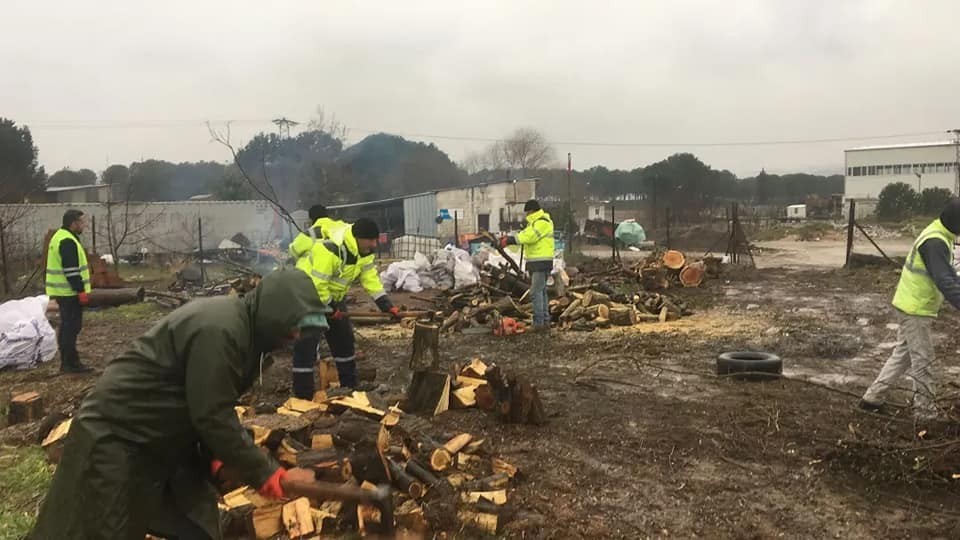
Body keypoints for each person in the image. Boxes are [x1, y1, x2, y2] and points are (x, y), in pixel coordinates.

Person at [31, 269, 326, 540]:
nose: (297, 335)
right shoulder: (222, 329)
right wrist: (266, 473)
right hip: (118, 433)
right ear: (276, 311)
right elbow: (211, 415)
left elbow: (208, 399)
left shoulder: (245, 335)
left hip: (162, 439)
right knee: (101, 529)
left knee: (196, 525)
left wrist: (217, 458)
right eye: (295, 325)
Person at [860, 198, 960, 421]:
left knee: (903, 356)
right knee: (923, 359)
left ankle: (871, 399)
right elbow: (945, 280)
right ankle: (925, 413)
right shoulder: (935, 242)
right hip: (915, 309)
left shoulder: (940, 235)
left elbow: (950, 276)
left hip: (911, 305)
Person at [294, 218, 398, 395]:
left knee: (344, 339)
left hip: (333, 297)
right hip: (308, 295)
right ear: (358, 237)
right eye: (370, 240)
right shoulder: (330, 248)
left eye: (375, 240)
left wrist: (385, 304)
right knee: (307, 343)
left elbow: (369, 277)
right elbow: (318, 284)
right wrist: (331, 309)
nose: (374, 244)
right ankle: (303, 395)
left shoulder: (363, 252)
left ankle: (349, 386)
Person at [46, 209, 93, 373]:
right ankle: (70, 364)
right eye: (82, 222)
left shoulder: (60, 236)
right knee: (71, 328)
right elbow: (72, 271)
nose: (84, 225)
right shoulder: (67, 241)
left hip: (63, 292)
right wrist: (80, 291)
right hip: (69, 293)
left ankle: (68, 362)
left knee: (67, 327)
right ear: (73, 223)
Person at [507, 200, 555, 331]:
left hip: (540, 262)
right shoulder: (536, 223)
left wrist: (511, 240)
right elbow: (526, 234)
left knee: (535, 292)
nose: (526, 214)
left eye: (527, 212)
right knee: (542, 291)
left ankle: (539, 323)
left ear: (532, 211)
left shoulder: (542, 223)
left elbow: (529, 237)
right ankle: (544, 321)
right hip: (538, 262)